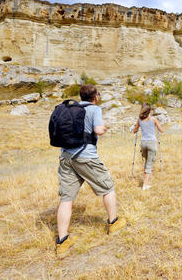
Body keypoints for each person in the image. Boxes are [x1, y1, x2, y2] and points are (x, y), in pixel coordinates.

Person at [55, 84, 126, 258]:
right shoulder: (95, 109)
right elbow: (98, 130)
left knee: (66, 198)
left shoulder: (72, 108)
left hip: (65, 157)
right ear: (95, 97)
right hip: (85, 156)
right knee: (107, 187)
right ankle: (114, 223)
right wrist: (105, 127)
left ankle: (62, 242)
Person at [133, 103, 163, 190]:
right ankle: (145, 185)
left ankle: (146, 178)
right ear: (149, 111)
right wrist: (158, 125)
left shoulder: (139, 120)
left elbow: (135, 131)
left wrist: (137, 127)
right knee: (149, 163)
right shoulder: (154, 119)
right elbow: (161, 130)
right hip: (151, 143)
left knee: (147, 161)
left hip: (143, 143)